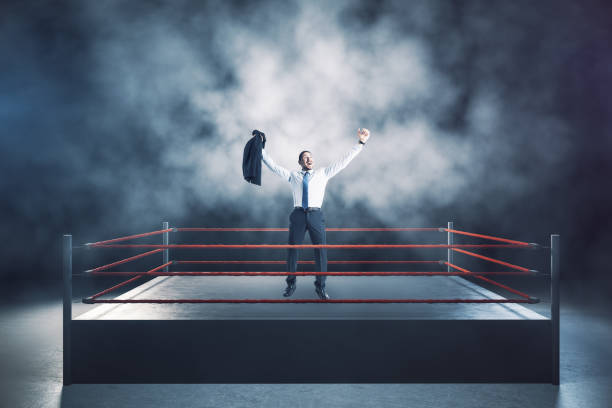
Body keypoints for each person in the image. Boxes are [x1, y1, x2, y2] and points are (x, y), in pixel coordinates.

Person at [260, 128, 371, 299]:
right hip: (297, 215)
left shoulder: (323, 173)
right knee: (292, 251)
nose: (309, 158)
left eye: (311, 156)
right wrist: (260, 148)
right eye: (305, 157)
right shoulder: (293, 176)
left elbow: (344, 161)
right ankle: (290, 285)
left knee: (321, 252)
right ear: (300, 161)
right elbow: (273, 166)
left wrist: (361, 143)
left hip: (315, 215)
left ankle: (320, 287)